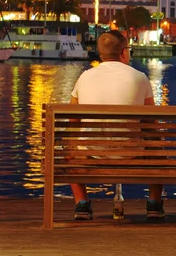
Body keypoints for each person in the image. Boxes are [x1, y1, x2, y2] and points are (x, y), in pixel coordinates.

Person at [69, 30, 163, 220]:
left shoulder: (85, 77)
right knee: (157, 143)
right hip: (131, 152)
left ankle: (82, 205)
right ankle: (154, 204)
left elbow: (72, 119)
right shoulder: (140, 77)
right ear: (123, 53)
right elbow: (151, 123)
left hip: (92, 152)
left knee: (72, 146)